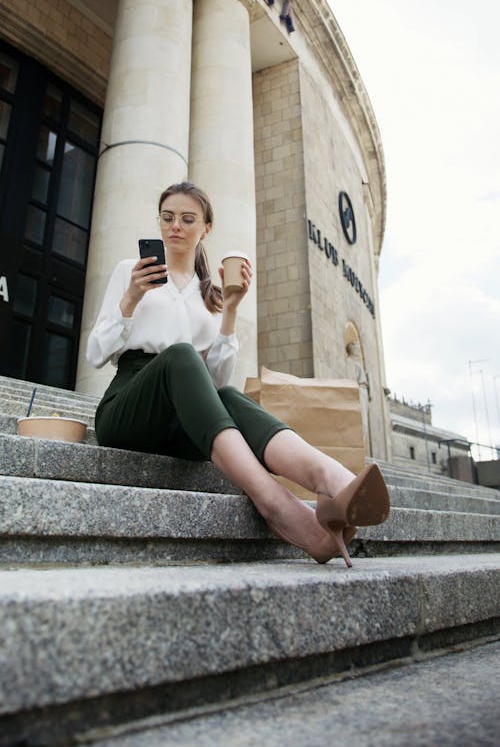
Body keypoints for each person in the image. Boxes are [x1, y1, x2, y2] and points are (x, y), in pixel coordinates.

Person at [87, 181, 390, 566]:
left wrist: (229, 309)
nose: (174, 226)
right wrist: (131, 297)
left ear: (206, 228)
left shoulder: (207, 295)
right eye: (167, 218)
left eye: (186, 219)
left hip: (181, 426)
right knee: (182, 357)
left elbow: (213, 386)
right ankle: (276, 502)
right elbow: (96, 353)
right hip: (127, 409)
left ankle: (332, 479)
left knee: (229, 397)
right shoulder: (131, 271)